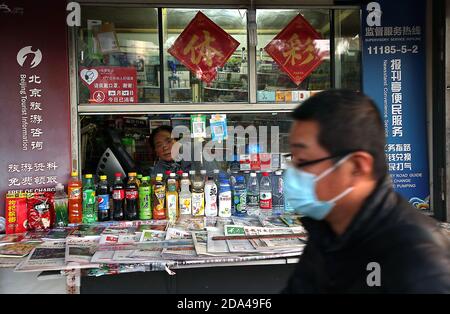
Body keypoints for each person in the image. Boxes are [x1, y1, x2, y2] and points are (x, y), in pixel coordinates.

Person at [283, 89, 450, 293]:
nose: (292, 173)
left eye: (302, 161)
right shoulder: (328, 231)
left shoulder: (416, 260)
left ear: (357, 166)